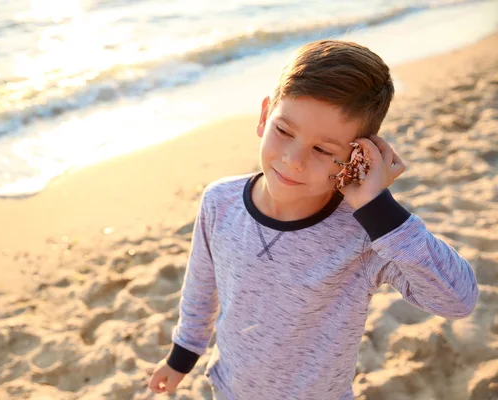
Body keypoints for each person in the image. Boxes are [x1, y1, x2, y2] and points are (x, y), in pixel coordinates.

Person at [147, 40, 479, 400]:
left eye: (323, 149)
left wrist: (378, 207)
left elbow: (457, 300)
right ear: (264, 116)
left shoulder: (366, 234)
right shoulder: (219, 202)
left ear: (357, 155)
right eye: (284, 131)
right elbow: (201, 286)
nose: (293, 159)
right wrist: (183, 355)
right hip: (230, 389)